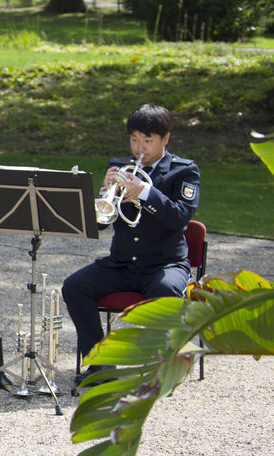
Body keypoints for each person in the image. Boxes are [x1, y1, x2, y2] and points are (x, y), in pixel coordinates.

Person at [62, 104, 200, 384]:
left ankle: (159, 366)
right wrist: (105, 193)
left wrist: (145, 191)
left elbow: (180, 217)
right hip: (123, 263)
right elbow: (100, 224)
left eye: (147, 141)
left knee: (165, 291)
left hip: (164, 264)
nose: (140, 148)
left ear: (165, 139)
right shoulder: (119, 168)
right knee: (74, 286)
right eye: (134, 139)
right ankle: (100, 364)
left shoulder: (183, 171)